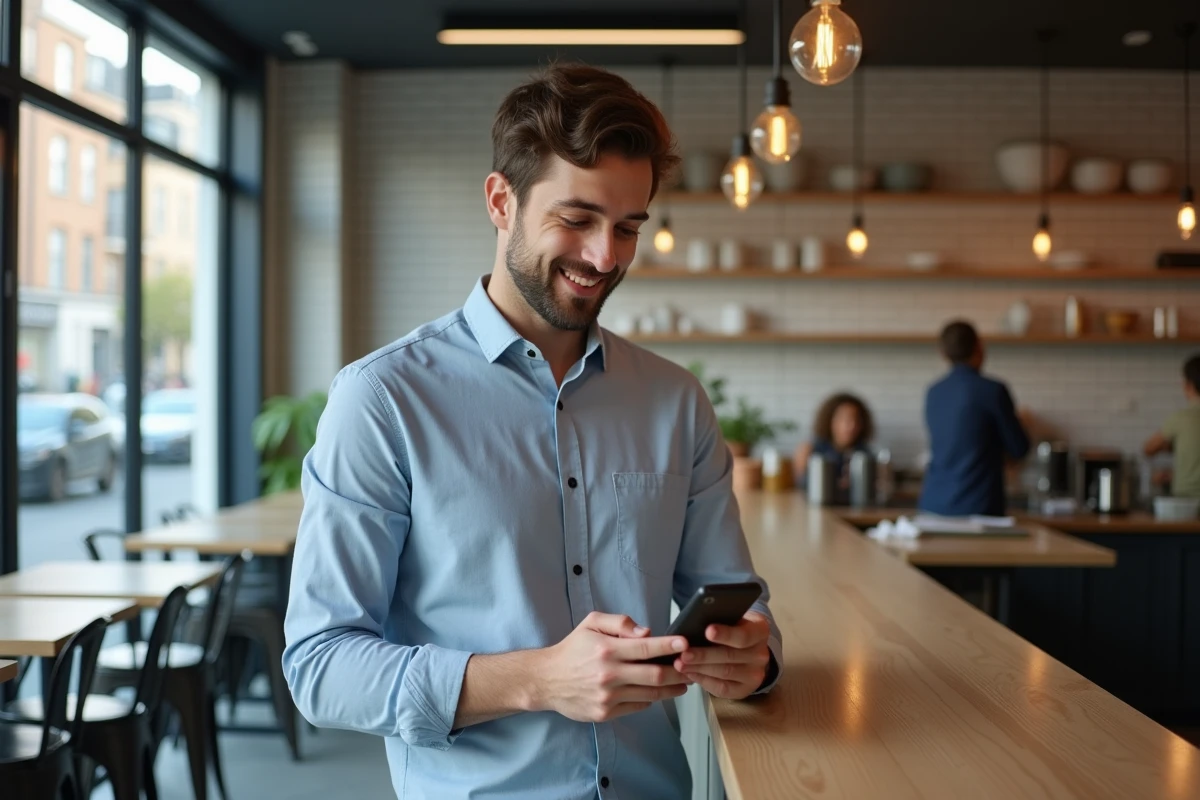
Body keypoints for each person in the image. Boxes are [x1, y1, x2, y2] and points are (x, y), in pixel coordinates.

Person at [282, 64, 781, 800]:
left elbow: (738, 600)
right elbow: (321, 667)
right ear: (500, 201)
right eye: (576, 220)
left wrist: (755, 658)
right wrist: (539, 680)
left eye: (628, 227)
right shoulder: (383, 399)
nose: (605, 257)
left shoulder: (675, 402)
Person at [919, 320, 1030, 516]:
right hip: (978, 508)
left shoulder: (933, 392)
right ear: (979, 347)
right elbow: (1019, 448)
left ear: (943, 353)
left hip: (933, 507)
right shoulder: (993, 391)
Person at [793, 392, 875, 500]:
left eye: (856, 420)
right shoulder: (809, 450)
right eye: (844, 419)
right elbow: (799, 486)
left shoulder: (865, 454)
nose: (851, 426)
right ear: (829, 420)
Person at [1143, 354, 1200, 499]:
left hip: (1186, 502)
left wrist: (1168, 447)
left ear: (1188, 385)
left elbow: (1148, 448)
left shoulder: (1182, 418)